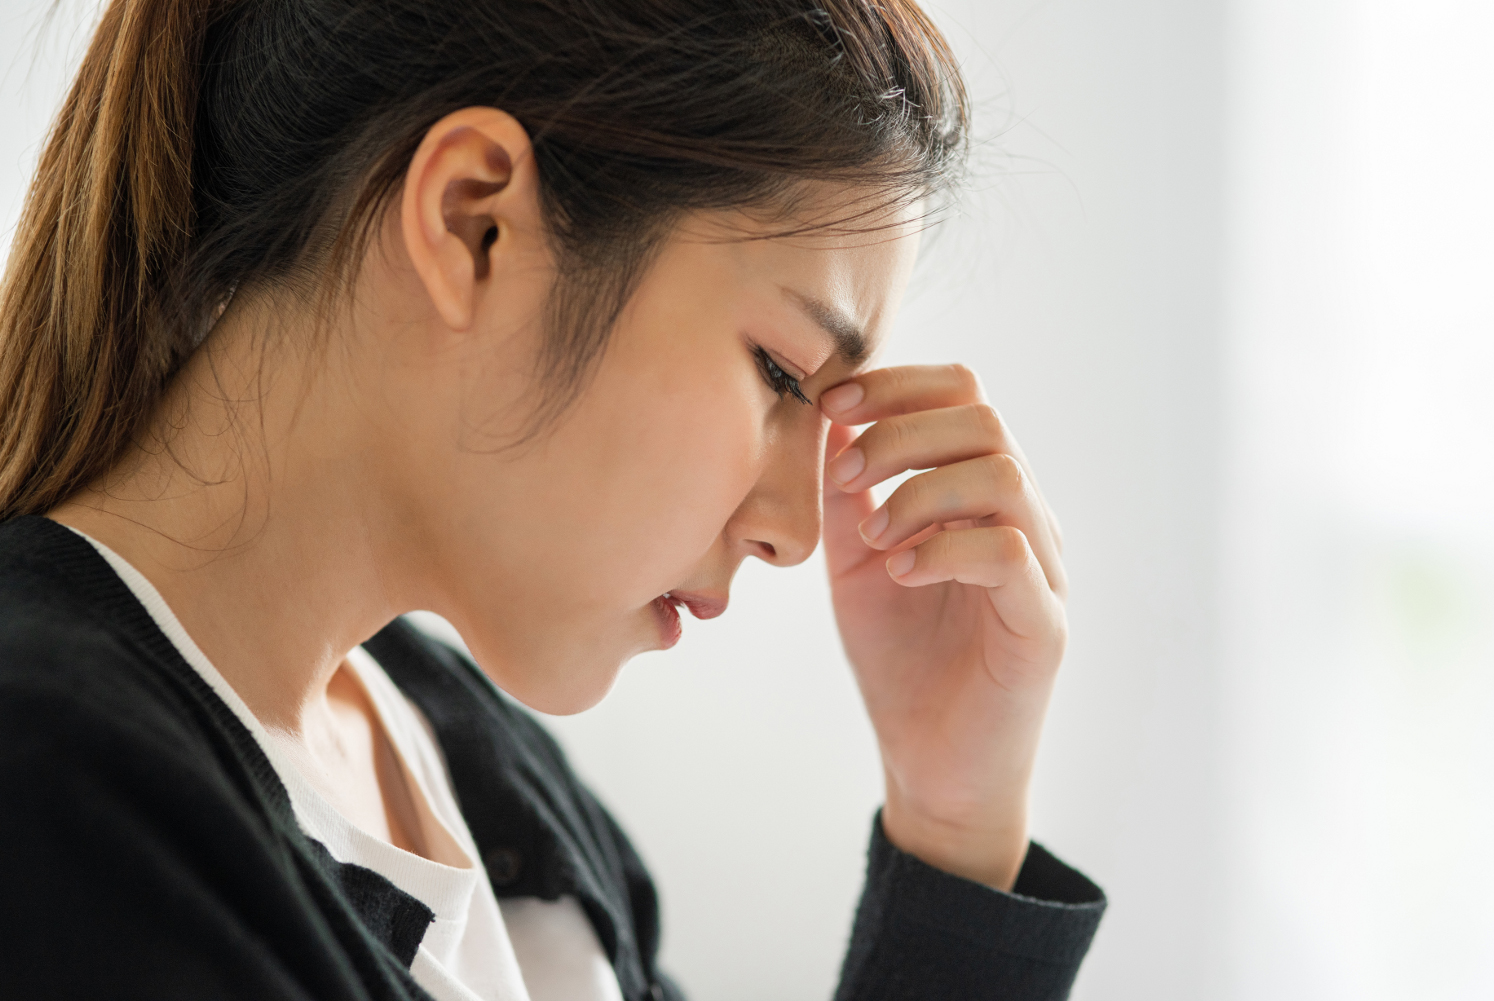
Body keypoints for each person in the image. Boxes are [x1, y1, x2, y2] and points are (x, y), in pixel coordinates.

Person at [0, 1, 1105, 998]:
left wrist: (954, 821)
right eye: (779, 371)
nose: (798, 532)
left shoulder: (465, 750)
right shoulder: (57, 792)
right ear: (473, 222)